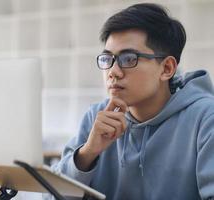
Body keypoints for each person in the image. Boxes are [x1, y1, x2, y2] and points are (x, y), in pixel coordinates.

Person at [51, 3, 214, 200]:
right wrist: (87, 154)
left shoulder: (206, 119)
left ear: (167, 68)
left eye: (129, 59)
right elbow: (50, 196)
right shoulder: (98, 116)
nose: (113, 72)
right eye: (107, 58)